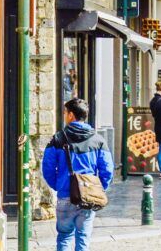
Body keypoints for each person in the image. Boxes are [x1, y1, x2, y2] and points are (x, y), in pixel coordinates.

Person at [42, 98, 113, 251]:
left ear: (71, 115)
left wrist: (58, 185)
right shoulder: (98, 140)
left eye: (66, 112)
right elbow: (107, 170)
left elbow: (47, 168)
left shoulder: (58, 139)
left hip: (65, 195)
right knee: (83, 236)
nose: (64, 115)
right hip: (88, 195)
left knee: (65, 236)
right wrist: (99, 188)